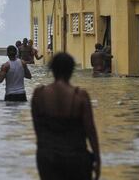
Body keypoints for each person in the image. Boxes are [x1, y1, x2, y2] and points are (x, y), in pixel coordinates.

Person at [31, 52, 101, 180]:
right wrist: (97, 159)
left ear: (52, 69)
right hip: (76, 157)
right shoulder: (80, 96)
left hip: (48, 157)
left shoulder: (39, 95)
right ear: (71, 70)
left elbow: (38, 130)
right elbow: (90, 130)